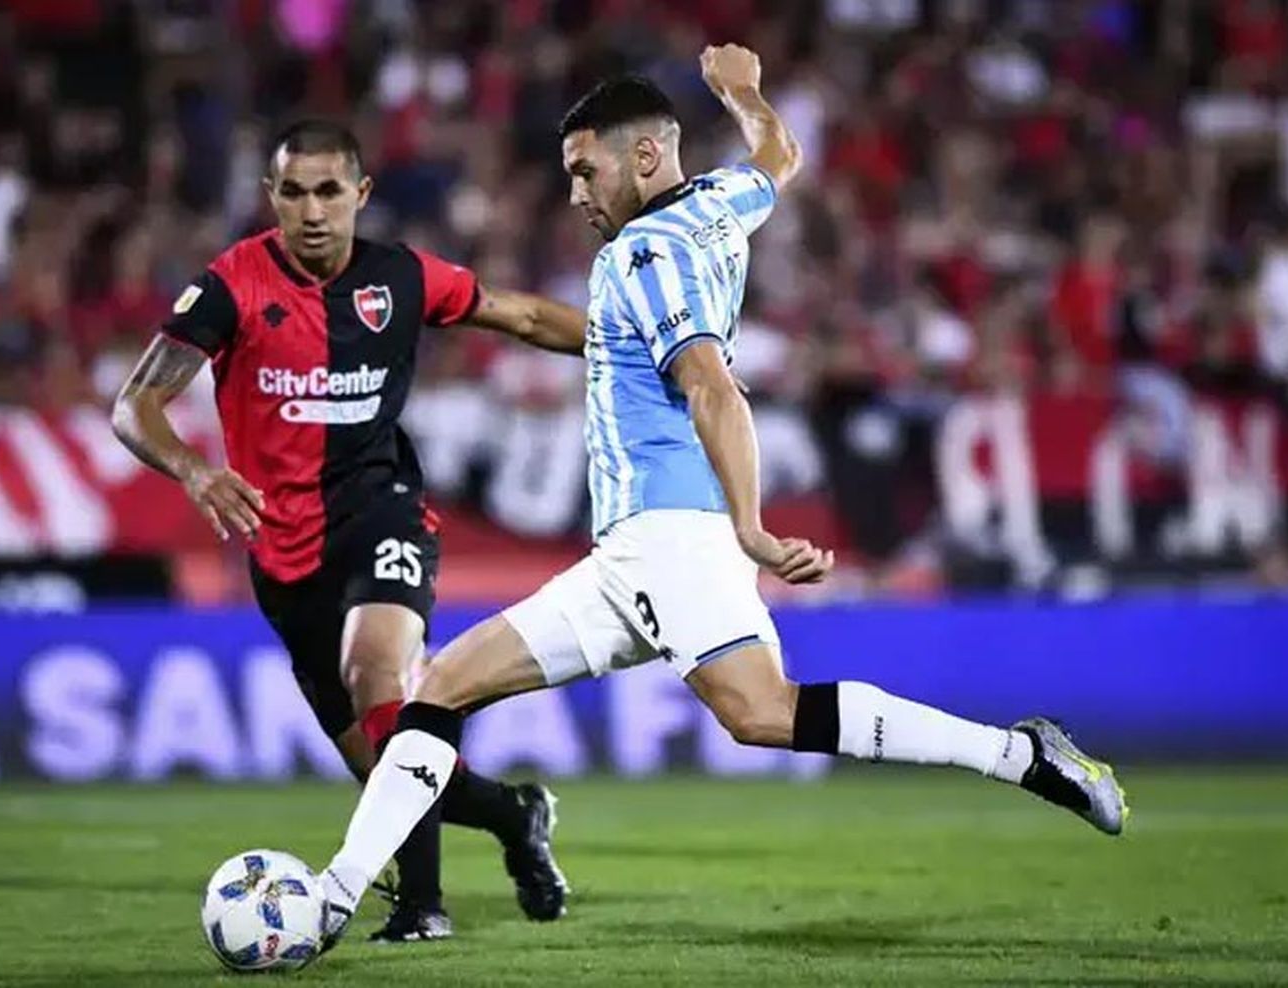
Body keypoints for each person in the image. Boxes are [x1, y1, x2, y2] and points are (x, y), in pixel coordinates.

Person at [312, 45, 1129, 948]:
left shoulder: (644, 255)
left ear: (647, 158)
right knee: (439, 689)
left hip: (672, 535)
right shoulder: (714, 209)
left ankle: (1019, 754)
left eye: (587, 171)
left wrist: (750, 527)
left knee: (760, 713)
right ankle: (335, 899)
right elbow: (779, 159)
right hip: (627, 554)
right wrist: (744, 93)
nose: (577, 193)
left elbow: (710, 385)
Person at [110, 119, 581, 942]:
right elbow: (133, 404)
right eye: (294, 192)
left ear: (360, 194)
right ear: (272, 198)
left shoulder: (401, 278)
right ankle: (513, 813)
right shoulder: (232, 286)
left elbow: (523, 318)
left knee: (381, 676)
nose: (313, 210)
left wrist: (642, 347)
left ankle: (422, 908)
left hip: (381, 510)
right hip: (281, 549)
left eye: (330, 190)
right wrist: (194, 469)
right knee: (382, 766)